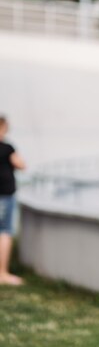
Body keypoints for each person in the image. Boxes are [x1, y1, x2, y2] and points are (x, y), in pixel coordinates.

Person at [0, 116, 26, 286]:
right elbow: (21, 165)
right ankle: (2, 273)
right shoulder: (7, 148)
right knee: (5, 232)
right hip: (4, 195)